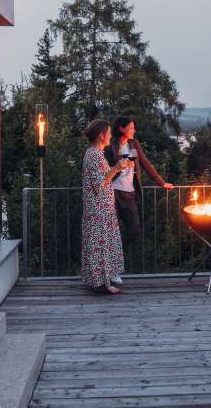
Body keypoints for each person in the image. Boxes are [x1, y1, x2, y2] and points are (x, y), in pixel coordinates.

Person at [105, 116, 174, 280]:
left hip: (129, 194)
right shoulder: (111, 145)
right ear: (121, 128)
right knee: (111, 232)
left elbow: (145, 163)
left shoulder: (134, 144)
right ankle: (111, 272)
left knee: (134, 230)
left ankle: (111, 258)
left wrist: (162, 183)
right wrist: (124, 162)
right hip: (112, 193)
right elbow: (111, 166)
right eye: (131, 128)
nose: (134, 130)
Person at [82, 119, 129, 294]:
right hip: (98, 210)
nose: (110, 136)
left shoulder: (96, 153)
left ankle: (100, 281)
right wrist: (116, 167)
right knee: (100, 246)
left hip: (102, 208)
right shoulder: (94, 154)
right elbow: (99, 184)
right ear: (102, 135)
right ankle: (103, 285)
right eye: (108, 133)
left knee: (100, 245)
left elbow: (104, 179)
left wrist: (117, 169)